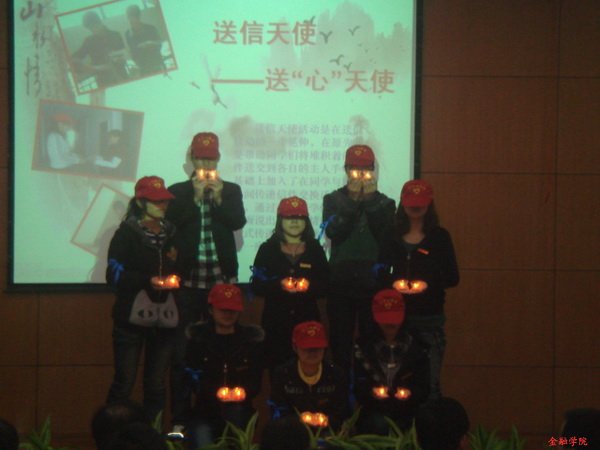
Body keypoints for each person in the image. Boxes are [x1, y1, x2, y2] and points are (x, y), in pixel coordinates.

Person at [166, 131, 247, 431]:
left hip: (222, 283)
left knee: (224, 352)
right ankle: (180, 420)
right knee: (182, 353)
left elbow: (237, 221)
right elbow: (172, 223)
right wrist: (196, 198)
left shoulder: (231, 190)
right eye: (200, 159)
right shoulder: (177, 191)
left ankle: (222, 419)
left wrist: (219, 198)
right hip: (188, 284)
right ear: (192, 160)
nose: (206, 165)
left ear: (218, 159)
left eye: (210, 159)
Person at [105, 175, 180, 422]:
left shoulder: (172, 233)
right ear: (140, 202)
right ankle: (114, 435)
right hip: (130, 320)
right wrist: (148, 280)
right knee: (124, 382)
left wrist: (175, 279)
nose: (162, 206)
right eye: (156, 201)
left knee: (156, 385)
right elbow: (114, 275)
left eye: (164, 201)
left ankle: (153, 436)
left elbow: (184, 266)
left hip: (165, 319)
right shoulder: (126, 233)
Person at [379, 179, 459, 399]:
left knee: (430, 386)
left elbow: (452, 277)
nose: (415, 207)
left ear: (429, 204)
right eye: (411, 202)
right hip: (395, 322)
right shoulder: (390, 235)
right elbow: (379, 271)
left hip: (429, 321)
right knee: (395, 387)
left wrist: (427, 283)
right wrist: (393, 283)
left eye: (420, 202)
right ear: (402, 203)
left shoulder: (440, 237)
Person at [322, 144, 395, 373]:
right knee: (340, 345)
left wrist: (370, 201)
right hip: (340, 284)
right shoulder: (333, 199)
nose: (360, 175)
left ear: (373, 171)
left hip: (373, 284)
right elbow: (334, 232)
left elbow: (385, 237)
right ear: (346, 170)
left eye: (366, 170)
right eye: (355, 170)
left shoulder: (385, 203)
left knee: (371, 346)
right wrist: (352, 202)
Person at [179, 283, 264, 448]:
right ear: (211, 310)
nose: (228, 314)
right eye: (223, 309)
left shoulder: (250, 341)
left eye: (232, 310)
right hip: (204, 412)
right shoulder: (198, 340)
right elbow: (188, 379)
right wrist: (214, 391)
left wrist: (242, 392)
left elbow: (255, 381)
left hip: (240, 409)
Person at [251, 196, 329, 369]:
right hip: (276, 323)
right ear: (280, 220)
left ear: (306, 221)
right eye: (289, 218)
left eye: (299, 218)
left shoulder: (315, 249)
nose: (294, 222)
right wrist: (279, 285)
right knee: (276, 369)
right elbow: (256, 285)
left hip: (307, 321)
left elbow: (326, 285)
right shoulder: (267, 249)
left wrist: (309, 286)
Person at [353, 289, 430, 434]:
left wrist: (410, 393)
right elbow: (358, 387)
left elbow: (424, 388)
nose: (390, 324)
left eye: (394, 319)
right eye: (385, 319)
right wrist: (372, 393)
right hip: (374, 411)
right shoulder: (363, 348)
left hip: (408, 411)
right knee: (378, 424)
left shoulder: (417, 348)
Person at [269, 321, 349, 431]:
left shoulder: (336, 374)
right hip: (292, 431)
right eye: (306, 348)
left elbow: (342, 413)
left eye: (317, 348)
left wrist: (325, 420)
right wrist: (300, 420)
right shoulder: (282, 374)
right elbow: (277, 411)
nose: (312, 353)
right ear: (295, 347)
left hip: (328, 432)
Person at [71, 10, 127, 89]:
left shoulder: (115, 35)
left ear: (99, 22)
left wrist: (120, 59)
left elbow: (123, 55)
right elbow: (77, 56)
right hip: (103, 80)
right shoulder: (89, 41)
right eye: (90, 28)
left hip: (120, 75)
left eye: (94, 26)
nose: (93, 30)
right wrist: (77, 64)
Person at [125, 5, 164, 76]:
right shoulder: (128, 33)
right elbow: (132, 50)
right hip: (141, 66)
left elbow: (159, 44)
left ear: (139, 16)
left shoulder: (151, 28)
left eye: (135, 16)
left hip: (155, 62)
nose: (132, 20)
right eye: (130, 17)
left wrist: (150, 44)